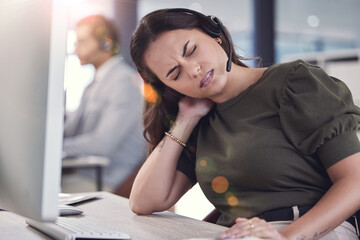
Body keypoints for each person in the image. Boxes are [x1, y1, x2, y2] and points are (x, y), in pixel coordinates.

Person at [128, 8, 360, 240]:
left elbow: (355, 181)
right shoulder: (201, 123)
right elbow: (143, 201)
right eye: (175, 73)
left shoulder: (294, 83)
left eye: (191, 50)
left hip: (309, 229)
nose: (193, 70)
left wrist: (287, 237)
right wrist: (185, 119)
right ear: (170, 89)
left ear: (214, 34)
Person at [63, 15, 145, 193]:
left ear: (106, 43)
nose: (76, 48)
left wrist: (57, 148)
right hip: (87, 173)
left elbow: (102, 144)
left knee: (37, 192)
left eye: (82, 41)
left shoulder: (124, 82)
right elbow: (70, 131)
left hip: (107, 179)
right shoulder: (94, 83)